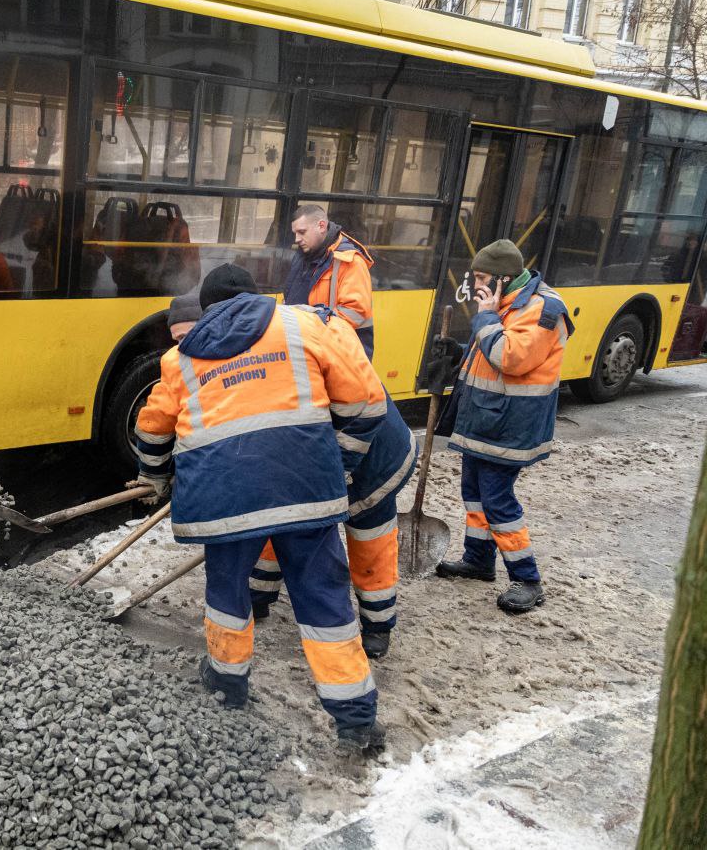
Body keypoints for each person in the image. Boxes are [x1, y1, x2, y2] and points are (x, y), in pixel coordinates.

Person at [132, 264, 389, 754]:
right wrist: (339, 462)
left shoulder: (180, 357)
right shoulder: (303, 325)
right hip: (304, 490)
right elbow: (368, 403)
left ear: (207, 310)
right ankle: (355, 721)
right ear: (257, 296)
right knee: (324, 601)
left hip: (223, 501)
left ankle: (227, 687)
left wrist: (155, 476)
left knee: (227, 593)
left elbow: (152, 429)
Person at [250, 339, 417, 660]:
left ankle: (377, 624)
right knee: (279, 520)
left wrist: (333, 475)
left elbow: (369, 408)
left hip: (376, 461)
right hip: (322, 455)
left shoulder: (306, 363)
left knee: (371, 541)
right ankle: (258, 594)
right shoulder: (262, 365)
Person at [432, 240, 574, 613]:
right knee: (474, 493)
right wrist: (456, 351)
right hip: (486, 418)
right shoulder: (508, 304)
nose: (476, 285)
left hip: (510, 426)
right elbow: (486, 352)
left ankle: (527, 579)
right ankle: (478, 560)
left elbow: (508, 357)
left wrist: (484, 317)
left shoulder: (543, 309)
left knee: (498, 500)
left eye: (481, 278)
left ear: (503, 279)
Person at [285, 205, 375, 358]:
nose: (297, 239)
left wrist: (309, 324)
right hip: (310, 347)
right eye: (295, 233)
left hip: (341, 353)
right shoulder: (303, 255)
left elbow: (356, 313)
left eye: (302, 232)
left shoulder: (350, 261)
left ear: (321, 226)